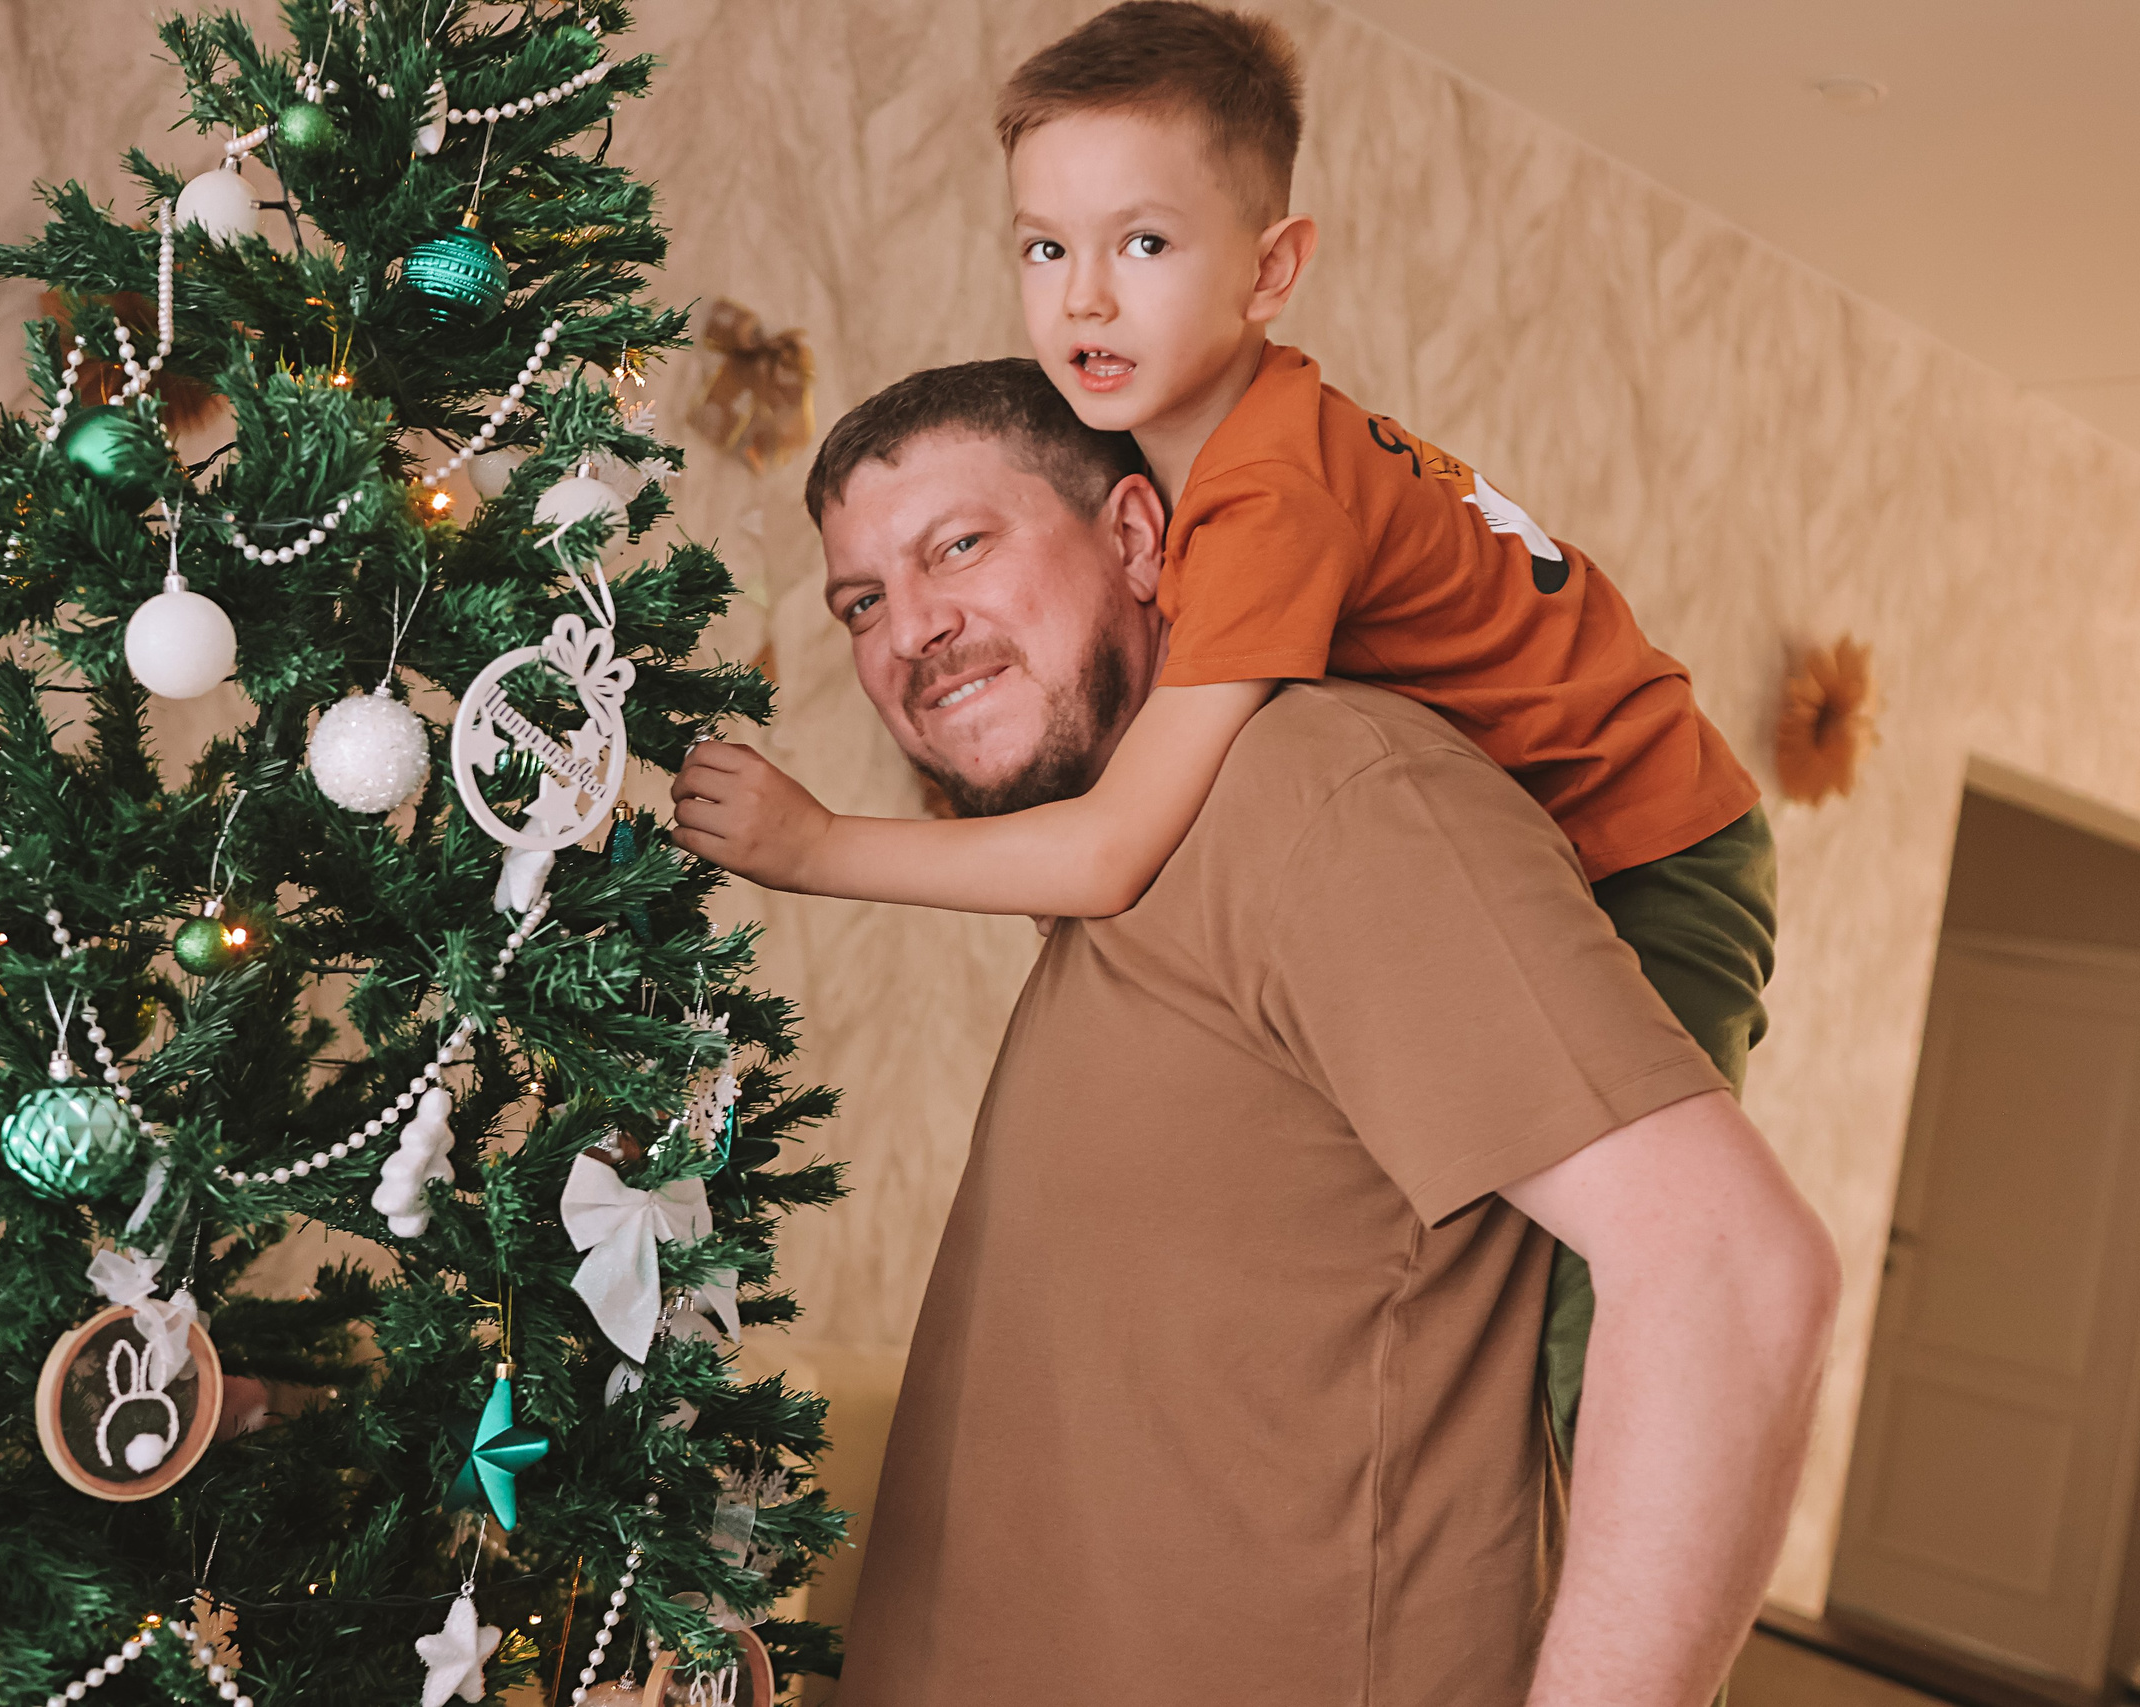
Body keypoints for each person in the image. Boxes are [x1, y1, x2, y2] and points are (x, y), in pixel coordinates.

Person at [672, 0, 1777, 1458]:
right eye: (1043, 248)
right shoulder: (1211, 474)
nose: (1082, 301)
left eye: (1142, 244)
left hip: (1660, 837)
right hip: (1576, 811)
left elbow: (1118, 849)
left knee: (1601, 1319)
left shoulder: (1260, 499)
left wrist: (816, 847)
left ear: (1273, 271)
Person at [692, 364, 1838, 1706]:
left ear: (1136, 538)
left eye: (960, 546)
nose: (912, 632)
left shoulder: (1325, 792)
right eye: (861, 602)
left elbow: (1732, 1274)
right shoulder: (1117, 867)